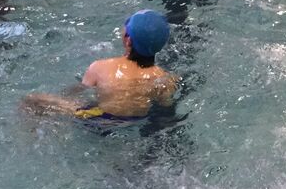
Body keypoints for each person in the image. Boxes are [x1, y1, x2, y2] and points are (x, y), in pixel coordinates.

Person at [22, 9, 178, 120]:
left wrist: (64, 95)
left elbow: (78, 92)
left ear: (128, 40)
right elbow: (164, 106)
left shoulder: (100, 68)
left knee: (32, 101)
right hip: (135, 121)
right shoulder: (165, 78)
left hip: (98, 119)